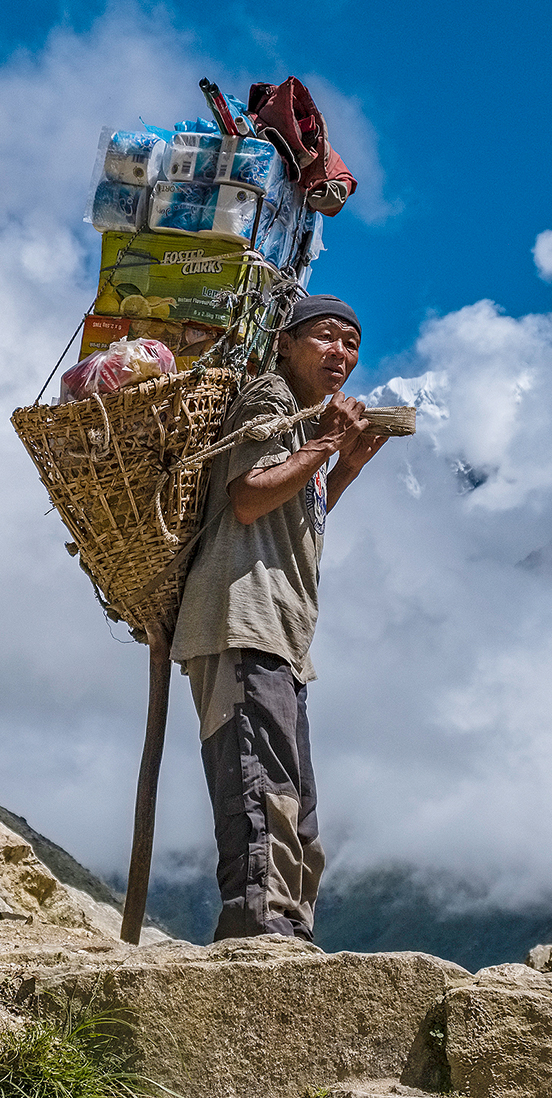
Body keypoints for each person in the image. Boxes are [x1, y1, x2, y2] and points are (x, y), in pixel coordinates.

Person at [169, 294, 389, 941]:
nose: (341, 354)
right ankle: (259, 925)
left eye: (351, 343)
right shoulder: (268, 400)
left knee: (293, 796)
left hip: (281, 637)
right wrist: (326, 443)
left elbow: (295, 512)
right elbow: (247, 497)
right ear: (285, 344)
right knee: (261, 784)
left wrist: (341, 465)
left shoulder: (304, 424)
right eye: (325, 337)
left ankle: (288, 927)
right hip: (241, 622)